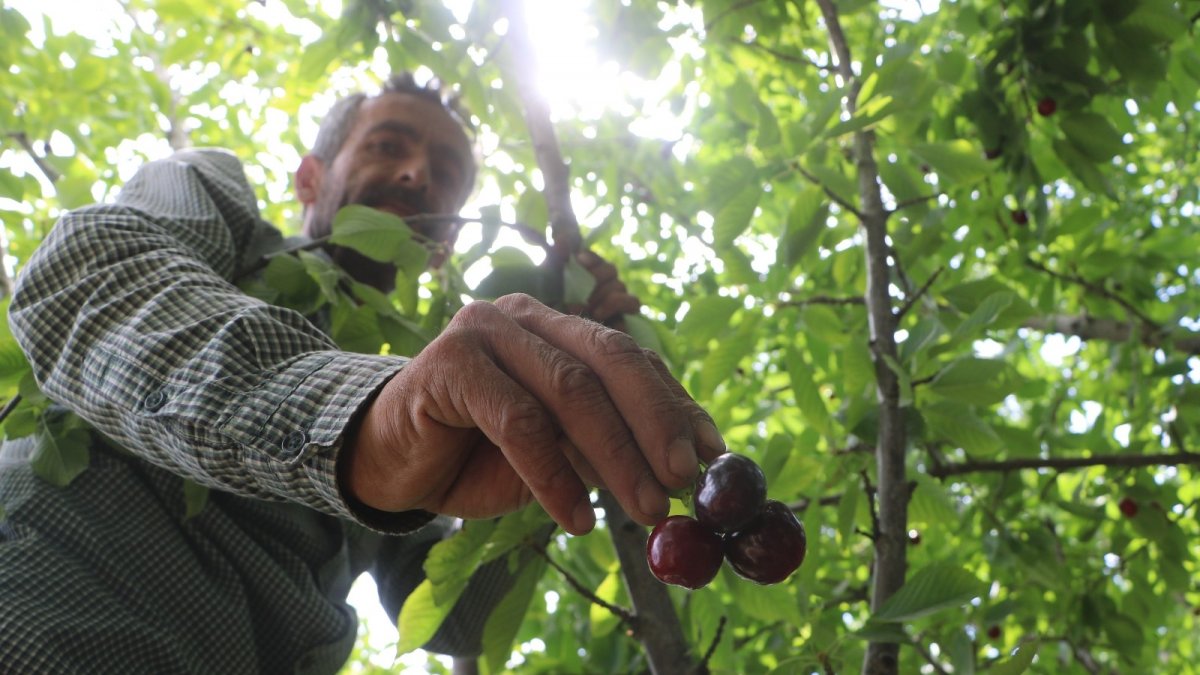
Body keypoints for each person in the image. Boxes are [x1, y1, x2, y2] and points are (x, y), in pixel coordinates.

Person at [0, 73, 726, 673]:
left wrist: (551, 426)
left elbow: (457, 617)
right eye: (388, 146)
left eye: (446, 174)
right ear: (310, 179)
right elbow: (87, 274)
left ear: (439, 251)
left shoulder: (426, 398)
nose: (417, 175)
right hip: (46, 603)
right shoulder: (219, 200)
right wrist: (360, 427)